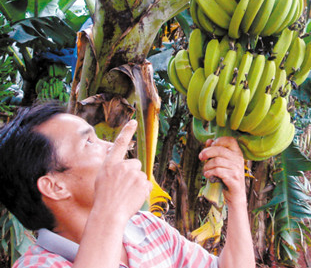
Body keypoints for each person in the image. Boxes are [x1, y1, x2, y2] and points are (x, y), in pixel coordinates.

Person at [0, 102, 255, 268]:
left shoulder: (150, 228)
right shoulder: (36, 265)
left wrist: (236, 198)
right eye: (88, 142)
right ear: (55, 186)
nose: (111, 147)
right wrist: (110, 212)